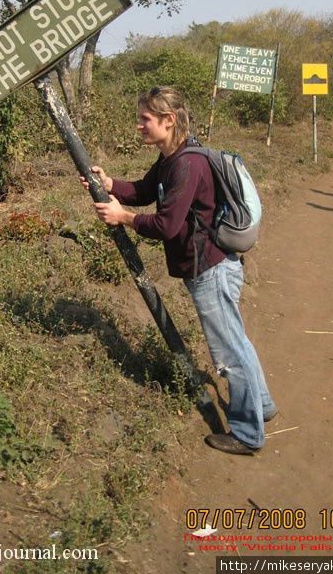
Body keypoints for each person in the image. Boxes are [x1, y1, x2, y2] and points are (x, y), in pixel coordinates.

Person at [80, 86, 277, 455]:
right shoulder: (172, 157)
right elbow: (145, 189)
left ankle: (248, 435)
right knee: (238, 342)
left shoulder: (188, 163)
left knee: (229, 353)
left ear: (168, 121)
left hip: (210, 270)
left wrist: (124, 217)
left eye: (146, 119)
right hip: (212, 265)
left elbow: (167, 224)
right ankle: (261, 406)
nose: (139, 126)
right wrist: (110, 185)